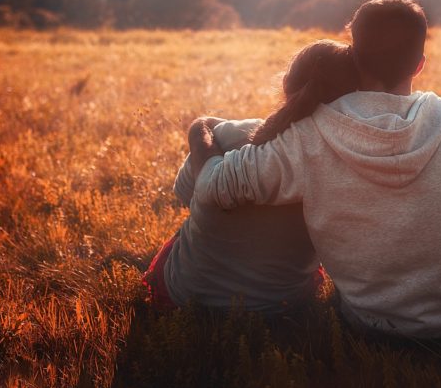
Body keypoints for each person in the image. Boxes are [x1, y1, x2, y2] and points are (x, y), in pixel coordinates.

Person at [189, 0, 441, 338]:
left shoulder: (309, 136)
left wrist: (199, 131)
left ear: (353, 57)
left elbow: (214, 185)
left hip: (370, 325)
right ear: (419, 65)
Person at [143, 40, 359, 312]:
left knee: (180, 238)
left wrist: (203, 125)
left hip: (184, 296)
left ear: (285, 85)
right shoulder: (348, 164)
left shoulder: (226, 136)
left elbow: (185, 194)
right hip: (281, 307)